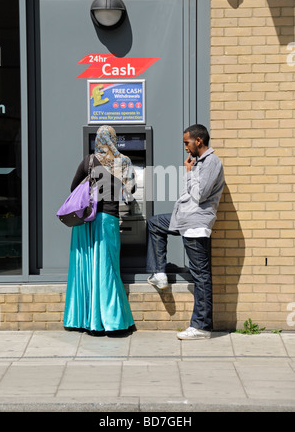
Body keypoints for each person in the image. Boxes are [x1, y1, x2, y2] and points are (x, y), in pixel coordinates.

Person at [146, 124, 224, 340]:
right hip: (184, 220)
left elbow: (200, 194)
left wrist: (188, 173)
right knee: (154, 223)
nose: (185, 148)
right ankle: (159, 273)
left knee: (201, 276)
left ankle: (201, 327)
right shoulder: (200, 163)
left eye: (186, 143)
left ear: (198, 141)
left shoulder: (212, 162)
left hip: (196, 226)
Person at [63, 125, 136, 335]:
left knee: (85, 269)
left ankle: (84, 321)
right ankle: (110, 323)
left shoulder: (88, 161)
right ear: (115, 139)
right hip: (108, 220)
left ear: (98, 139)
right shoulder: (125, 161)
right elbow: (130, 191)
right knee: (107, 269)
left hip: (86, 221)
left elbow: (73, 188)